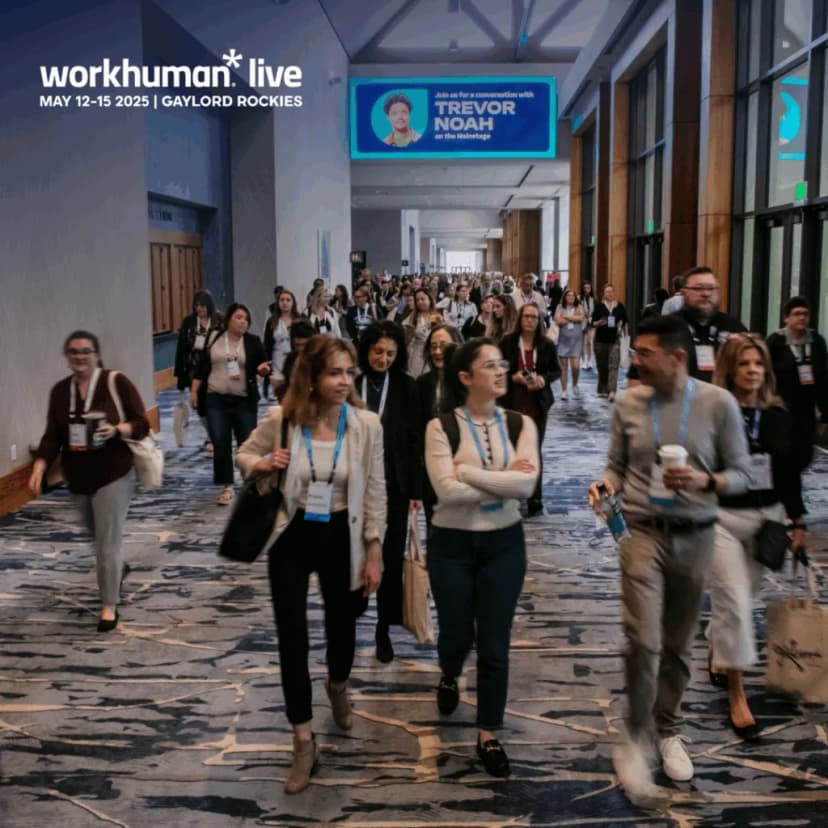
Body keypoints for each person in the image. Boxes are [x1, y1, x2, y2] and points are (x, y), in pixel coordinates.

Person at [587, 315, 751, 806]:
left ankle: (669, 729)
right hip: (640, 533)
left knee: (677, 644)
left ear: (677, 357)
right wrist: (606, 485)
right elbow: (615, 464)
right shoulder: (629, 402)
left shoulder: (717, 404)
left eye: (644, 352)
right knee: (643, 639)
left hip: (696, 534)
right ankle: (636, 735)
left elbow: (742, 472)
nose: (634, 360)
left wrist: (708, 483)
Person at [236, 336, 385, 795]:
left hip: (343, 533)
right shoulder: (284, 419)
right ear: (313, 378)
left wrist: (375, 549)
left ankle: (337, 683)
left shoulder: (365, 425)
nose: (345, 381)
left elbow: (376, 489)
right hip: (292, 533)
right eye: (334, 373)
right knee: (291, 639)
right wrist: (262, 463)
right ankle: (303, 739)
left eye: (348, 372)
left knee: (343, 628)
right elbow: (242, 454)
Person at [425, 338, 539, 777]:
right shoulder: (440, 428)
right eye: (489, 365)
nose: (500, 371)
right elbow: (446, 492)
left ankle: (488, 731)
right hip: (451, 545)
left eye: (502, 364)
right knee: (456, 631)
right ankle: (449, 670)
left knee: (494, 642)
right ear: (466, 378)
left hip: (504, 545)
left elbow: (526, 488)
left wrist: (470, 472)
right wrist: (503, 479)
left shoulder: (520, 425)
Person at [708, 334, 807, 741]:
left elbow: (788, 474)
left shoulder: (777, 415)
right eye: (744, 364)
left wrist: (798, 522)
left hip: (764, 520)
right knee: (734, 602)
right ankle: (738, 694)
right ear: (730, 369)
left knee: (741, 602)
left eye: (758, 365)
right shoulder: (713, 414)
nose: (752, 371)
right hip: (721, 518)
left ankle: (719, 648)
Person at [29, 331, 151, 632]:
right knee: (98, 537)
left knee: (107, 544)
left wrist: (117, 429)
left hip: (114, 473)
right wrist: (40, 466)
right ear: (67, 357)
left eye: (85, 351)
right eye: (73, 352)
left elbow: (142, 423)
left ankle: (109, 605)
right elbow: (52, 436)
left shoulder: (115, 382)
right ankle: (117, 569)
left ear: (96, 354)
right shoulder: (60, 391)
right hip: (78, 477)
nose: (80, 357)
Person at [357, 321, 423, 663]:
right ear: (366, 349)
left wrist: (415, 489)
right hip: (354, 485)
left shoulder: (406, 386)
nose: (382, 359)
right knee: (356, 554)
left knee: (392, 559)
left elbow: (415, 442)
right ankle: (355, 606)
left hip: (394, 485)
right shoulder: (353, 384)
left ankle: (384, 627)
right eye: (377, 352)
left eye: (390, 354)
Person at [190, 303, 270, 505]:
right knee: (220, 441)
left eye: (246, 319)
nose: (243, 321)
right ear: (228, 320)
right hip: (215, 398)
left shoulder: (252, 342)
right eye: (239, 317)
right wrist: (193, 392)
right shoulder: (214, 338)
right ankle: (226, 486)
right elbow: (201, 368)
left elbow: (264, 366)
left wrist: (262, 372)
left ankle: (250, 481)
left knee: (247, 442)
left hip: (243, 400)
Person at [500, 304, 561, 516]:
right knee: (511, 451)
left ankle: (535, 498)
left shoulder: (546, 345)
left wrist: (543, 379)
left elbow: (556, 370)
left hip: (537, 406)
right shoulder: (507, 342)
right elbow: (497, 370)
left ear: (539, 321)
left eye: (534, 317)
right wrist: (512, 377)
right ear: (519, 319)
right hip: (512, 404)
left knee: (534, 451)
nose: (529, 320)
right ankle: (512, 494)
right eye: (526, 316)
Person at [766, 297, 828, 472]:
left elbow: (823, 376)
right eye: (796, 314)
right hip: (782, 405)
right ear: (786, 318)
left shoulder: (817, 340)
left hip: (807, 407)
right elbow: (766, 374)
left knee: (804, 451)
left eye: (805, 314)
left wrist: (825, 411)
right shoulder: (776, 341)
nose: (801, 318)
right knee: (784, 451)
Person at [416, 324, 464, 527]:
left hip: (462, 467)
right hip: (432, 468)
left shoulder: (467, 382)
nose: (437, 352)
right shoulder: (423, 383)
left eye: (443, 346)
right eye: (433, 346)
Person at [173, 289, 222, 455]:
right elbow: (181, 349)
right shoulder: (189, 322)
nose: (200, 309)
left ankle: (214, 437)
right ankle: (211, 433)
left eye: (203, 305)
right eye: (197, 305)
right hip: (194, 371)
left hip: (215, 369)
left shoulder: (218, 320)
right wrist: (180, 375)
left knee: (214, 404)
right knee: (199, 407)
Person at [592, 284, 627, 402]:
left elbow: (624, 319)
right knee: (602, 366)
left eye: (611, 292)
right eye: (607, 292)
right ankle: (603, 387)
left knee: (613, 365)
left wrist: (621, 324)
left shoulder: (620, 306)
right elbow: (592, 322)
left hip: (614, 339)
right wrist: (598, 323)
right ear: (604, 294)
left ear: (614, 293)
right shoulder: (599, 307)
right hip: (600, 340)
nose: (610, 294)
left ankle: (612, 391)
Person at [263, 290, 300, 399]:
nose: (285, 303)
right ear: (278, 303)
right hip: (277, 359)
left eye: (288, 300)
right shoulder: (272, 321)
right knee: (279, 393)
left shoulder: (299, 319)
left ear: (293, 303)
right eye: (282, 300)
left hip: (294, 359)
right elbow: (267, 344)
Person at [554, 289, 585, 400]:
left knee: (576, 366)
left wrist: (566, 317)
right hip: (563, 340)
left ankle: (575, 383)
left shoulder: (579, 307)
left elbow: (581, 318)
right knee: (564, 367)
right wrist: (573, 318)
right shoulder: (559, 307)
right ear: (565, 297)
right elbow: (557, 320)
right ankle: (564, 390)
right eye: (569, 295)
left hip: (576, 340)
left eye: (573, 295)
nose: (571, 297)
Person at [275, 319, 315, 403]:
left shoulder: (320, 359)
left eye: (305, 345)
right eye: (298, 345)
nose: (301, 349)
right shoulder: (290, 359)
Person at [403, 288, 438, 377]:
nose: (419, 302)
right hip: (417, 354)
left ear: (430, 299)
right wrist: (410, 333)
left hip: (433, 353)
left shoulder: (438, 315)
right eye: (417, 300)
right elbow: (406, 340)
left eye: (422, 299)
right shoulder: (413, 317)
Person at [580, 281, 596, 371]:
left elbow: (596, 311)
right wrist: (583, 313)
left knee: (590, 342)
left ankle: (590, 361)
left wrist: (591, 315)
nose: (587, 290)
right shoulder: (579, 299)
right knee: (583, 342)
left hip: (591, 322)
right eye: (585, 288)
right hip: (582, 322)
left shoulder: (593, 299)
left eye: (588, 288)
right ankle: (584, 360)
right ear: (583, 289)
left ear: (591, 289)